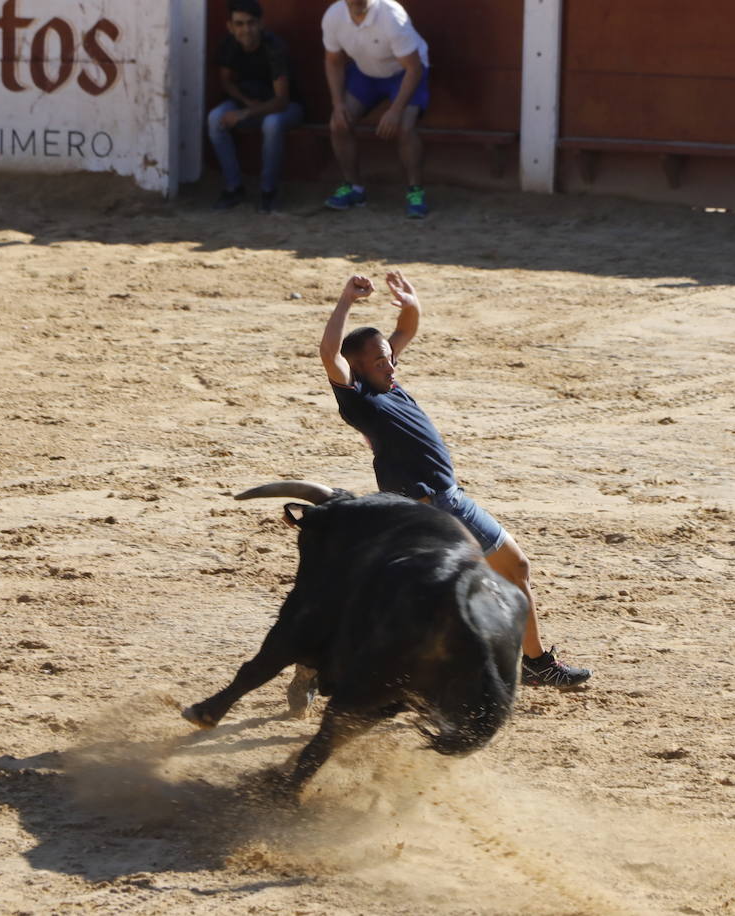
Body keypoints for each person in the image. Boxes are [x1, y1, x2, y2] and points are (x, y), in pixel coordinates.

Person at [319, 271, 592, 688]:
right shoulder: (361, 399)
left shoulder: (386, 381)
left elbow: (405, 329)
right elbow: (328, 352)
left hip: (434, 503)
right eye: (378, 361)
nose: (390, 363)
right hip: (436, 507)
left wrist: (410, 304)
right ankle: (533, 663)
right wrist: (345, 301)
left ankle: (322, 662)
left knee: (441, 589)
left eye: (389, 356)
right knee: (491, 579)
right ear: (356, 369)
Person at [320, 0, 430, 219]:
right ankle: (354, 188)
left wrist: (395, 110)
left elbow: (414, 68)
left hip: (404, 72)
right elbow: (333, 61)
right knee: (339, 122)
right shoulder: (333, 15)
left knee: (405, 127)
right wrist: (338, 103)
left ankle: (415, 192)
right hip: (365, 72)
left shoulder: (392, 16)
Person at [206, 0, 305, 214]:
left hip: (286, 108)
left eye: (251, 23)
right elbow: (226, 81)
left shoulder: (274, 48)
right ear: (230, 26)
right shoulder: (229, 45)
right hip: (249, 104)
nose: (245, 29)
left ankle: (269, 191)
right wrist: (246, 102)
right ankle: (234, 188)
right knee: (215, 118)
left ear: (261, 24)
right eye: (239, 24)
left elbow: (282, 100)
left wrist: (245, 112)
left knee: (272, 123)